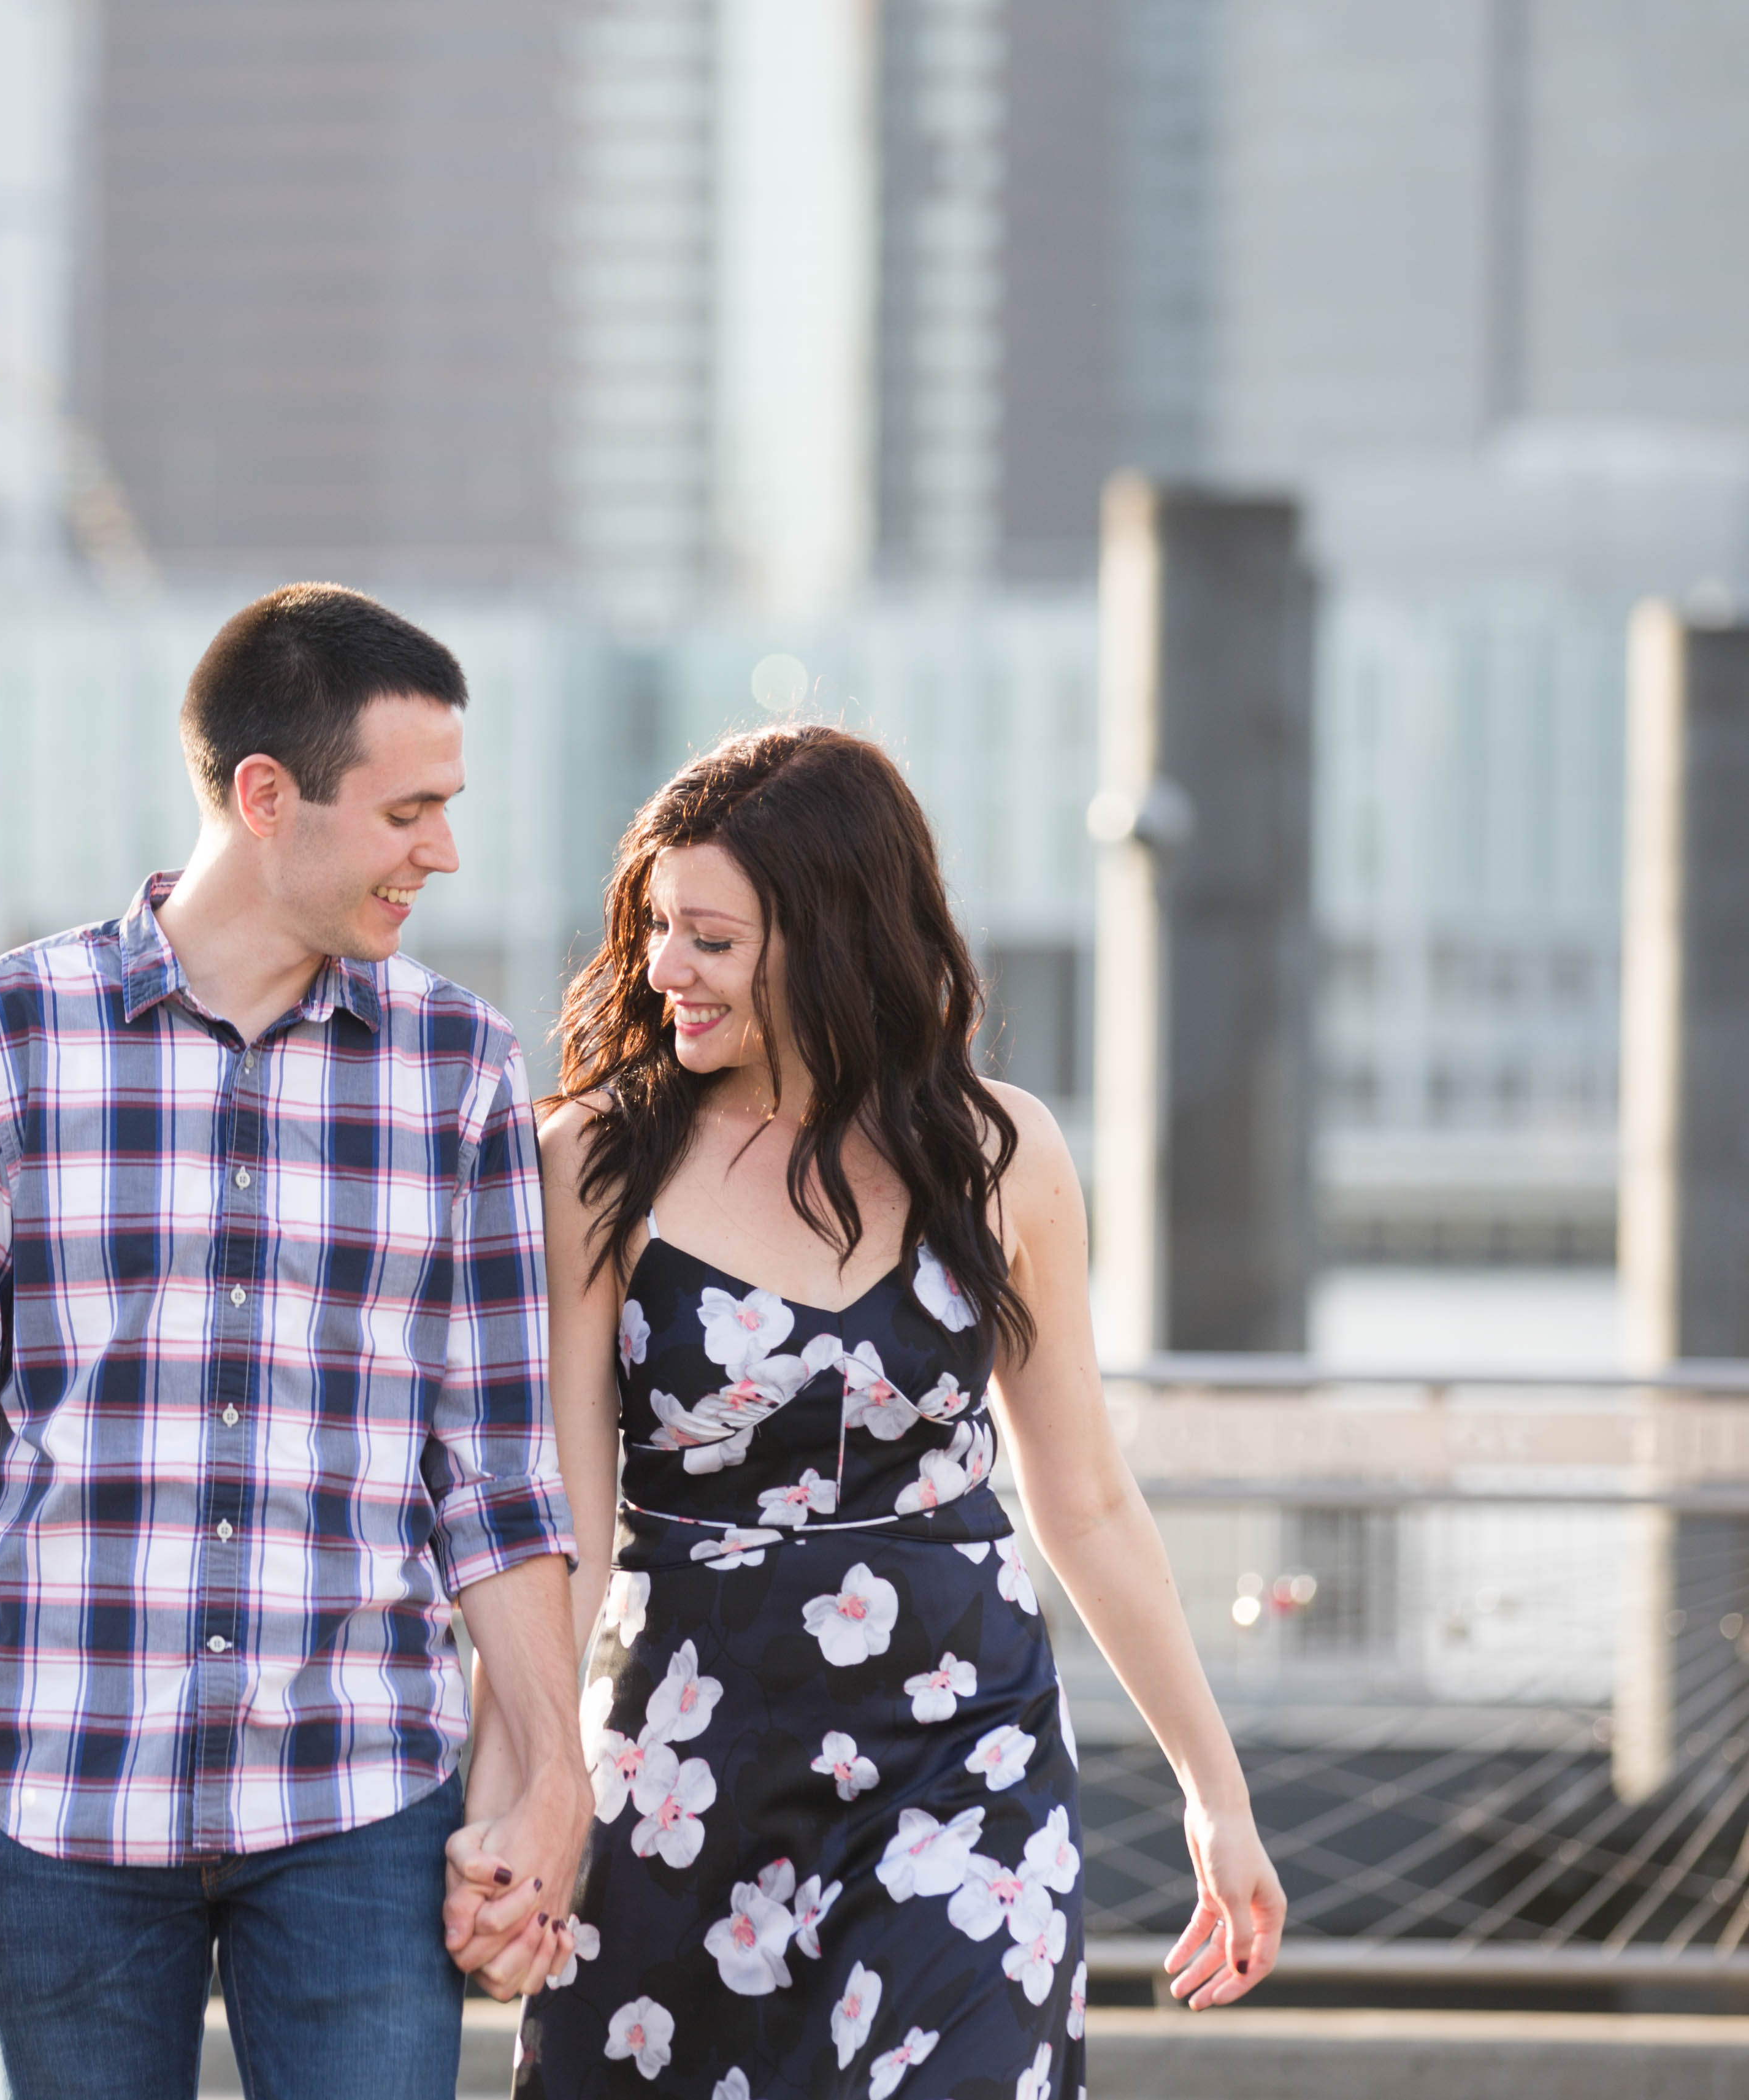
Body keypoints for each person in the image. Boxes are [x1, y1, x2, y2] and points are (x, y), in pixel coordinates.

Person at [0, 582, 590, 2100]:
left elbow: (496, 1480)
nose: (441, 851)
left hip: (360, 1799)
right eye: (408, 812)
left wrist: (556, 1777)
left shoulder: (461, 1070)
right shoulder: (3, 1041)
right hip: (63, 1791)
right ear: (265, 796)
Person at [483, 727, 1288, 2096]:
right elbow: (562, 1529)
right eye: (658, 928)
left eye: (712, 940)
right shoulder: (597, 1160)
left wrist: (1217, 1795)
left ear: (833, 941)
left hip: (963, 1763)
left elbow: (1087, 1500)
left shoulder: (998, 1154)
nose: (664, 968)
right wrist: (524, 1797)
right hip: (684, 1769)